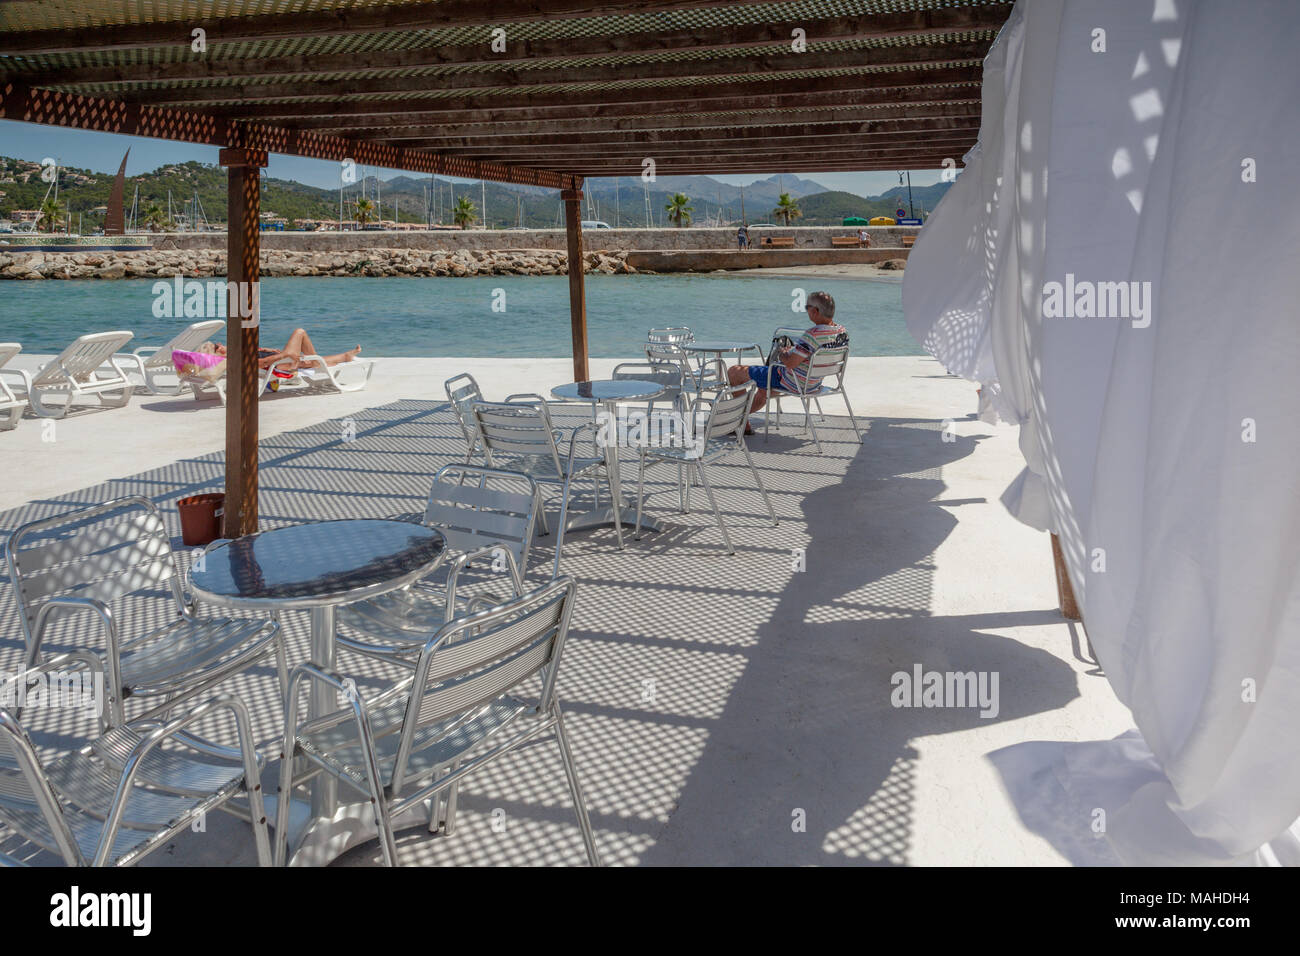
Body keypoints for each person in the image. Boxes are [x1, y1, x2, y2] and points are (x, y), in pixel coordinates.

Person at [726, 291, 848, 431]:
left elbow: (790, 363)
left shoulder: (812, 335)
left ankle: (734, 417)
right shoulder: (842, 332)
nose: (806, 311)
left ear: (815, 311)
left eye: (807, 307)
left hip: (792, 382)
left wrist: (783, 353)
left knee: (734, 372)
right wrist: (795, 351)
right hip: (814, 382)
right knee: (763, 390)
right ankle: (740, 421)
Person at [205, 327, 362, 372]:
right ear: (218, 352)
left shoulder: (233, 355)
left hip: (280, 361)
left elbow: (259, 356)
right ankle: (343, 357)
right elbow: (259, 363)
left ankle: (345, 356)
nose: (220, 343)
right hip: (280, 365)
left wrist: (267, 350)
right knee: (300, 332)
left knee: (309, 362)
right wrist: (284, 355)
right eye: (217, 346)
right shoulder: (231, 359)